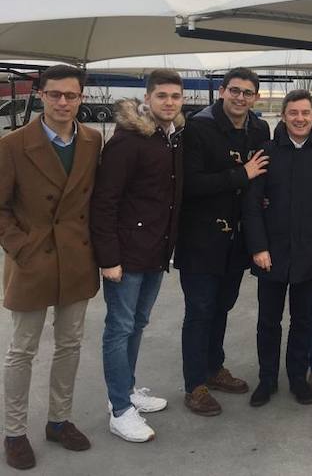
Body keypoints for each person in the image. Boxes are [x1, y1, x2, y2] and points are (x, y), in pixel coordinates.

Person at [0, 65, 101, 470]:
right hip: (32, 257)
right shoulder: (12, 145)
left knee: (70, 344)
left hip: (76, 256)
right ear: (40, 95)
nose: (63, 102)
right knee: (22, 350)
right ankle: (14, 430)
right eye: (55, 94)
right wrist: (20, 246)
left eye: (71, 95)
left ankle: (59, 421)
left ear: (81, 98)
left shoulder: (94, 140)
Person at [91, 69, 185, 442]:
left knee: (138, 323)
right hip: (126, 254)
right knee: (119, 328)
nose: (169, 102)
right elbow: (105, 202)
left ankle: (127, 390)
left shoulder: (172, 138)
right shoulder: (127, 141)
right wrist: (108, 257)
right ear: (147, 98)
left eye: (175, 96)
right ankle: (119, 409)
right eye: (161, 96)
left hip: (156, 251)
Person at [175, 68, 271, 416]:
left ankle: (214, 368)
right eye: (234, 90)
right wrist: (239, 175)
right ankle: (194, 384)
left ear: (256, 97)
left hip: (237, 239)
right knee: (199, 312)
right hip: (200, 238)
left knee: (222, 308)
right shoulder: (197, 128)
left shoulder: (259, 128)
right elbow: (190, 185)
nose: (240, 97)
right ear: (222, 92)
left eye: (248, 92)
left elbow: (262, 178)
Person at [243, 90, 312, 408]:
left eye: (305, 113)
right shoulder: (267, 152)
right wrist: (258, 247)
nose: (299, 119)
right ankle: (267, 379)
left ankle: (298, 378)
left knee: (303, 320)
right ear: (283, 116)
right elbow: (251, 206)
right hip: (271, 254)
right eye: (293, 113)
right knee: (268, 322)